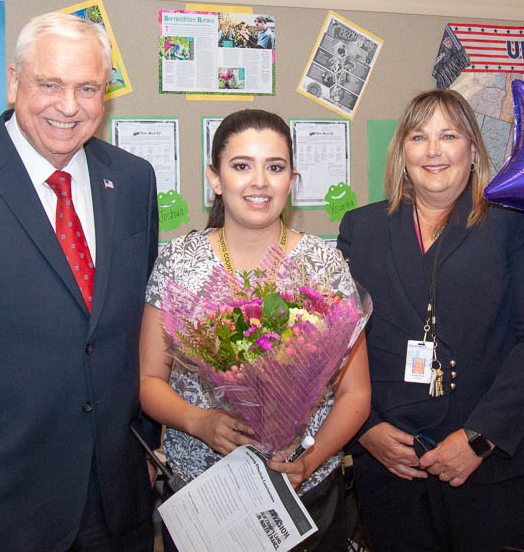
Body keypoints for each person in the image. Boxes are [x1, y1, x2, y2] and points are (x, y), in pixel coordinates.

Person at [140, 109, 371, 552]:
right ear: (215, 178)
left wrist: (310, 461)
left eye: (276, 167)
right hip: (205, 496)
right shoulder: (179, 263)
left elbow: (355, 394)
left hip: (307, 494)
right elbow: (150, 380)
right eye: (242, 165)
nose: (260, 181)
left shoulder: (323, 265)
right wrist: (201, 421)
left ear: (292, 180)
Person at [0, 12, 159, 551]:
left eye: (88, 88)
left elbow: (140, 327)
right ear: (13, 82)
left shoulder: (131, 179)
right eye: (49, 84)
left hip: (118, 491)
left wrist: (146, 445)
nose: (69, 105)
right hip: (1, 494)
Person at [338, 89, 524, 551]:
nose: (432, 150)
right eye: (418, 136)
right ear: (402, 152)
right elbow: (336, 343)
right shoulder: (361, 228)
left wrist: (478, 440)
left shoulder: (515, 225)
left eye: (448, 135)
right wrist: (364, 427)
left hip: (493, 469)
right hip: (390, 470)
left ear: (472, 150)